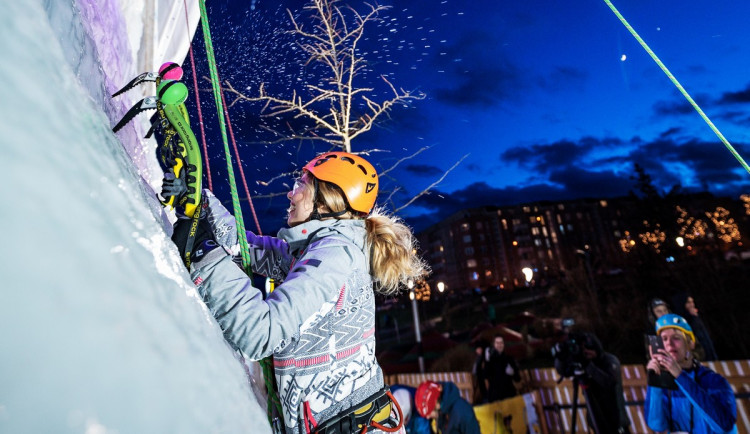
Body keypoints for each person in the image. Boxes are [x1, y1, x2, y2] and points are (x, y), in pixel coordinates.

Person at [169, 152, 428, 433]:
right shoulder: (320, 247)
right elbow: (250, 249)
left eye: (301, 185)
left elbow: (260, 332)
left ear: (327, 201)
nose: (291, 195)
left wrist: (203, 255)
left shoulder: (335, 256)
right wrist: (202, 203)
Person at [645, 313, 737, 433]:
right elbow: (657, 425)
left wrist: (680, 376)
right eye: (664, 339)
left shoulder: (714, 381)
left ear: (690, 343)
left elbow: (724, 425)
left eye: (676, 338)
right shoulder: (664, 382)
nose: (669, 343)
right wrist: (656, 382)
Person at [578, 332, 630, 434]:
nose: (585, 352)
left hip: (616, 421)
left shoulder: (609, 361)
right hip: (596, 420)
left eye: (587, 348)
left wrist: (588, 366)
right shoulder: (583, 364)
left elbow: (609, 382)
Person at [414, 381, 480, 434]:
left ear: (437, 405)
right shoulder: (443, 410)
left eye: (429, 413)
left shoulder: (462, 413)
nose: (428, 417)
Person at [672, 293, 718, 361]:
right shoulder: (679, 322)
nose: (692, 305)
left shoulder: (696, 317)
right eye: (688, 302)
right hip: (697, 359)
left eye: (692, 302)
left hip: (710, 357)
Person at [484, 335, 520, 402]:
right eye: (497, 343)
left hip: (509, 395)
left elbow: (518, 379)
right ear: (494, 344)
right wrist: (487, 361)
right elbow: (485, 376)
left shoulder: (509, 359)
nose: (499, 345)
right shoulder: (490, 360)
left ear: (504, 344)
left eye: (501, 343)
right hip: (495, 396)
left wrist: (513, 373)